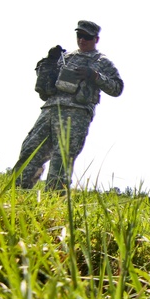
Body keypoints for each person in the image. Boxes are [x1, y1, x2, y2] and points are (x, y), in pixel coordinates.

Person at [14, 20, 124, 191]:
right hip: (50, 110)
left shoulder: (102, 62)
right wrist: (48, 62)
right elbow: (46, 82)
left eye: (87, 37)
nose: (82, 40)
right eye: (79, 35)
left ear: (96, 39)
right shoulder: (66, 57)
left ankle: (54, 201)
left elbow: (117, 88)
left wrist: (95, 76)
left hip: (76, 115)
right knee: (30, 150)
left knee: (62, 158)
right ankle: (16, 193)